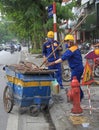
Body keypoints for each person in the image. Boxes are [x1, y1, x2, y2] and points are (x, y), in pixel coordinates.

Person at [46, 34, 84, 101]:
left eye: (66, 42)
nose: (66, 44)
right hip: (78, 68)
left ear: (70, 42)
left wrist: (53, 63)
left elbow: (62, 59)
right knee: (76, 83)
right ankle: (80, 95)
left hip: (76, 69)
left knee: (74, 83)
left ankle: (78, 97)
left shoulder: (71, 50)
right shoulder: (75, 48)